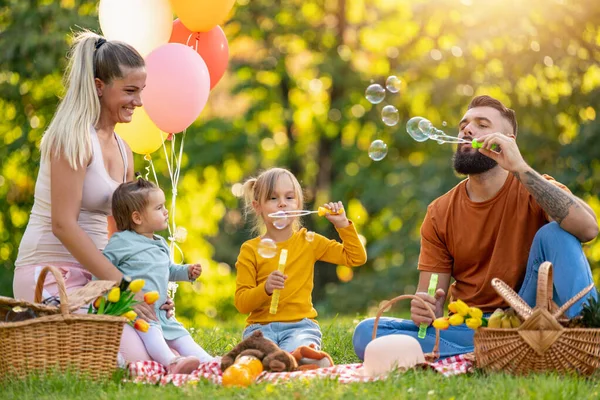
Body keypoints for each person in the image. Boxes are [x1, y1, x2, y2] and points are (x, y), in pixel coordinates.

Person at [353, 95, 599, 359]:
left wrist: (520, 167)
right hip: (471, 326)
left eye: (482, 124)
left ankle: (589, 343)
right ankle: (500, 351)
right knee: (367, 333)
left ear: (509, 142)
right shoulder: (439, 213)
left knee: (556, 232)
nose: (467, 130)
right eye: (463, 125)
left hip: (530, 316)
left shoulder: (535, 188)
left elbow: (588, 229)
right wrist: (426, 308)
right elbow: (431, 300)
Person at [12, 31, 172, 363]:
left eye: (140, 91)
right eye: (129, 91)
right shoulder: (72, 139)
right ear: (99, 86)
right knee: (131, 361)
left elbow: (126, 234)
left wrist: (146, 287)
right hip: (51, 274)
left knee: (155, 350)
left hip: (100, 277)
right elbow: (63, 226)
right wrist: (125, 286)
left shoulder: (125, 151)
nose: (138, 102)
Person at [235, 168, 367, 352]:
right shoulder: (250, 250)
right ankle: (286, 360)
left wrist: (342, 225)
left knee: (295, 351)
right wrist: (265, 288)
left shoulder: (309, 242)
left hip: (300, 327)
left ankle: (294, 358)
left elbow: (356, 258)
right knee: (257, 354)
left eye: (289, 198)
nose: (282, 204)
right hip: (260, 329)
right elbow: (242, 303)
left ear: (299, 204)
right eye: (273, 198)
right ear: (258, 207)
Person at [103, 178, 214, 373]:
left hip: (161, 311)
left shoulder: (159, 242)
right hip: (137, 310)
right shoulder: (121, 242)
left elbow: (168, 270)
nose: (166, 211)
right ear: (137, 218)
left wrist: (186, 272)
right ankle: (172, 363)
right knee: (152, 334)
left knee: (181, 336)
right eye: (159, 208)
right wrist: (120, 298)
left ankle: (209, 361)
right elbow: (103, 272)